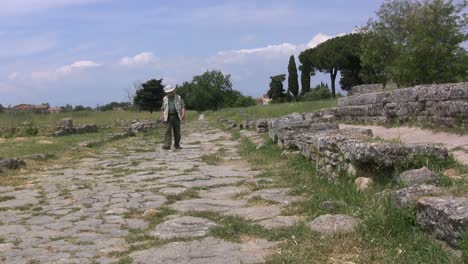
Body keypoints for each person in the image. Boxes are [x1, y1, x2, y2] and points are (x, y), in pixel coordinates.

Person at [161, 85, 185, 150]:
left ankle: (177, 145)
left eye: (171, 92)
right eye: (168, 92)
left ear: (173, 91)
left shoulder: (178, 97)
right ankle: (167, 145)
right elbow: (163, 108)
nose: (169, 93)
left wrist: (183, 114)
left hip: (176, 116)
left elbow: (182, 106)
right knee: (167, 131)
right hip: (168, 116)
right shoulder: (165, 98)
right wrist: (162, 117)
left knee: (177, 131)